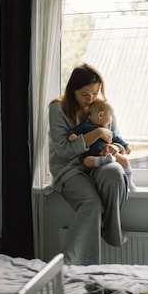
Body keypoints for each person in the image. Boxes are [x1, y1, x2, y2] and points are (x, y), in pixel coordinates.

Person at [48, 63, 128, 265]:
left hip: (98, 163)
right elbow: (65, 151)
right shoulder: (58, 108)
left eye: (95, 92)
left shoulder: (102, 107)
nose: (90, 99)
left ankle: (111, 229)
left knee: (115, 173)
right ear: (72, 90)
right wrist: (98, 133)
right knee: (91, 204)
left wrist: (115, 149)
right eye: (85, 94)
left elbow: (117, 140)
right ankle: (69, 265)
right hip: (70, 169)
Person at [67, 98, 137, 193]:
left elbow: (117, 138)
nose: (111, 119)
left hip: (107, 153)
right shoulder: (85, 125)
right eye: (111, 116)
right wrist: (72, 135)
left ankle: (130, 183)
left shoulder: (107, 129)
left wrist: (125, 146)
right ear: (101, 115)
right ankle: (103, 161)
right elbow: (74, 130)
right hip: (92, 156)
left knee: (124, 160)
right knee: (86, 161)